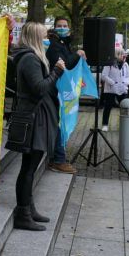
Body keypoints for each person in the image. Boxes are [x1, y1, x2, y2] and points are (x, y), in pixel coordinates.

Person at [11, 22, 66, 231]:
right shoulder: (30, 59)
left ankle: (28, 208)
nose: (48, 39)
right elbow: (39, 88)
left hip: (36, 115)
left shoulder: (32, 57)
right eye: (44, 35)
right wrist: (57, 72)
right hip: (33, 117)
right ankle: (23, 212)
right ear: (35, 37)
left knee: (30, 167)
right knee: (28, 167)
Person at [45, 18, 86, 173]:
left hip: (61, 91)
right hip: (55, 91)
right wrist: (77, 54)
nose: (62, 28)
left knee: (60, 124)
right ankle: (58, 159)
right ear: (54, 28)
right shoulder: (54, 46)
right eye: (59, 26)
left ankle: (58, 157)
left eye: (64, 26)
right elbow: (65, 64)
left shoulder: (63, 44)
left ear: (68, 28)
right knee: (59, 124)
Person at [100, 49, 129, 131]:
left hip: (122, 88)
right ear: (117, 55)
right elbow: (103, 76)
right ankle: (105, 124)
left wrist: (126, 82)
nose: (123, 56)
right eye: (121, 54)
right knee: (108, 107)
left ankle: (125, 125)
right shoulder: (109, 64)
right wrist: (112, 82)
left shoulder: (126, 64)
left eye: (124, 54)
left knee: (124, 107)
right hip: (111, 89)